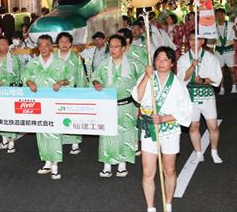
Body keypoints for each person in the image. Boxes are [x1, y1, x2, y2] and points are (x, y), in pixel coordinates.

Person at [132, 47, 193, 212]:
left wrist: (164, 118)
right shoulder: (147, 78)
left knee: (169, 170)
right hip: (149, 130)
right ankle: (150, 207)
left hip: (169, 130)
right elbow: (137, 96)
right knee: (148, 171)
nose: (161, 62)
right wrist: (146, 76)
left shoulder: (178, 84)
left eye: (165, 59)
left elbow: (187, 111)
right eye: (158, 59)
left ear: (172, 63)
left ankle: (168, 203)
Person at [22, 35, 73, 180]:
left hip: (56, 103)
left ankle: (55, 163)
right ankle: (46, 161)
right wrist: (30, 82)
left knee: (54, 131)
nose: (43, 48)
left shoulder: (60, 63)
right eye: (41, 45)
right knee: (42, 130)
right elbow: (25, 77)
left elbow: (70, 79)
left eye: (46, 45)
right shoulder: (32, 63)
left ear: (51, 47)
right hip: (38, 102)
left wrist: (61, 82)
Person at [92, 34, 140, 178]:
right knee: (108, 134)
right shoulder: (104, 63)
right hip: (108, 105)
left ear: (123, 48)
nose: (112, 49)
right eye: (110, 46)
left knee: (125, 134)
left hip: (127, 105)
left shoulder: (133, 63)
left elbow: (143, 80)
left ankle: (122, 165)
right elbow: (95, 77)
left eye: (116, 46)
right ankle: (107, 165)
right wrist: (96, 83)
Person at [177, 31, 223, 164]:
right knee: (194, 126)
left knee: (213, 126)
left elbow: (217, 78)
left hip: (207, 95)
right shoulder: (184, 58)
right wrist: (192, 66)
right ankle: (198, 153)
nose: (193, 42)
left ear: (202, 41)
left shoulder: (210, 57)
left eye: (197, 39)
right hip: (191, 95)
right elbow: (181, 78)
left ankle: (214, 151)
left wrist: (203, 80)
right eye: (191, 39)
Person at [0, 36, 21, 153]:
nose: (5, 46)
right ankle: (3, 137)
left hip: (10, 90)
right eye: (2, 44)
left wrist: (3, 81)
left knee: (10, 115)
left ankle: (11, 139)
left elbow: (17, 75)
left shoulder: (14, 59)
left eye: (6, 44)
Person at [55, 32, 85, 155]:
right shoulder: (52, 57)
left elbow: (81, 76)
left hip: (71, 92)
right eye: (61, 41)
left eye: (67, 41)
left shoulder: (76, 58)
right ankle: (57, 142)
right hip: (55, 92)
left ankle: (75, 142)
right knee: (56, 117)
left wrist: (82, 93)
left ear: (71, 44)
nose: (64, 44)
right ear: (57, 43)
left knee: (72, 116)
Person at [214, 8, 237, 95]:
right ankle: (221, 88)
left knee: (232, 70)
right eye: (217, 15)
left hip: (229, 50)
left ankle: (234, 85)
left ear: (224, 15)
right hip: (218, 50)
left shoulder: (231, 25)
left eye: (221, 14)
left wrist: (235, 30)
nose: (219, 16)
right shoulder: (214, 26)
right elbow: (210, 40)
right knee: (220, 71)